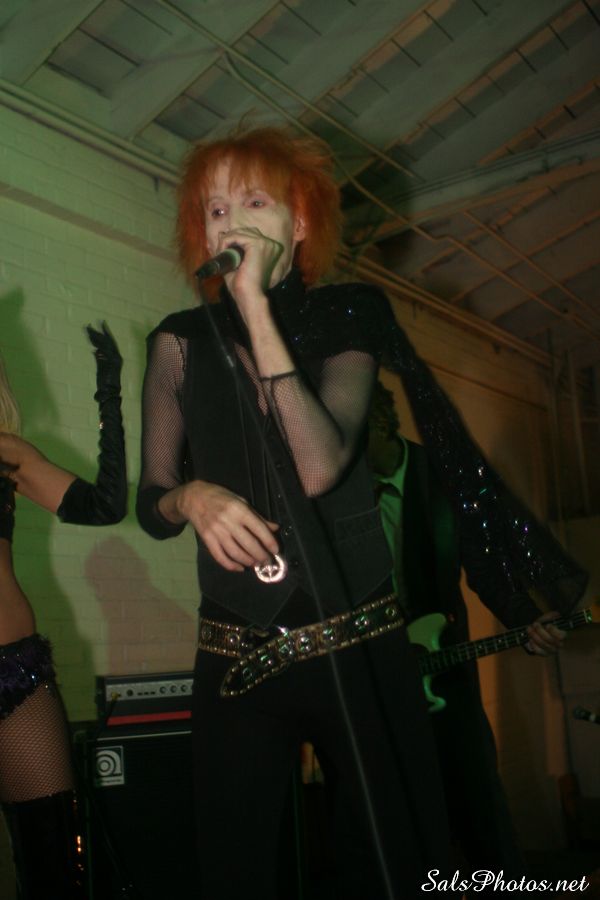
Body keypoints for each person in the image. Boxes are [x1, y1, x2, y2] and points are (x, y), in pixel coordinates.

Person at [136, 127, 453, 900]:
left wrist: (255, 309)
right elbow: (151, 501)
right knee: (235, 869)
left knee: (392, 861)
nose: (231, 223)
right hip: (236, 653)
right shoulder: (178, 342)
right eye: (216, 209)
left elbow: (318, 464)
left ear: (300, 221)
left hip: (360, 644)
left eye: (253, 202)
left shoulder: (351, 313)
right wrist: (190, 496)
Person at [367, 380, 569, 887]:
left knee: (480, 804)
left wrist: (526, 618)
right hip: (374, 679)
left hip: (445, 669)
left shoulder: (442, 477)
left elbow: (486, 568)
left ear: (379, 422)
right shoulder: (336, 491)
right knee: (399, 823)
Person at [0, 325, 126, 899]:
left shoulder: (7, 452)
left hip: (15, 676)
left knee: (58, 865)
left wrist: (109, 392)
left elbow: (104, 506)